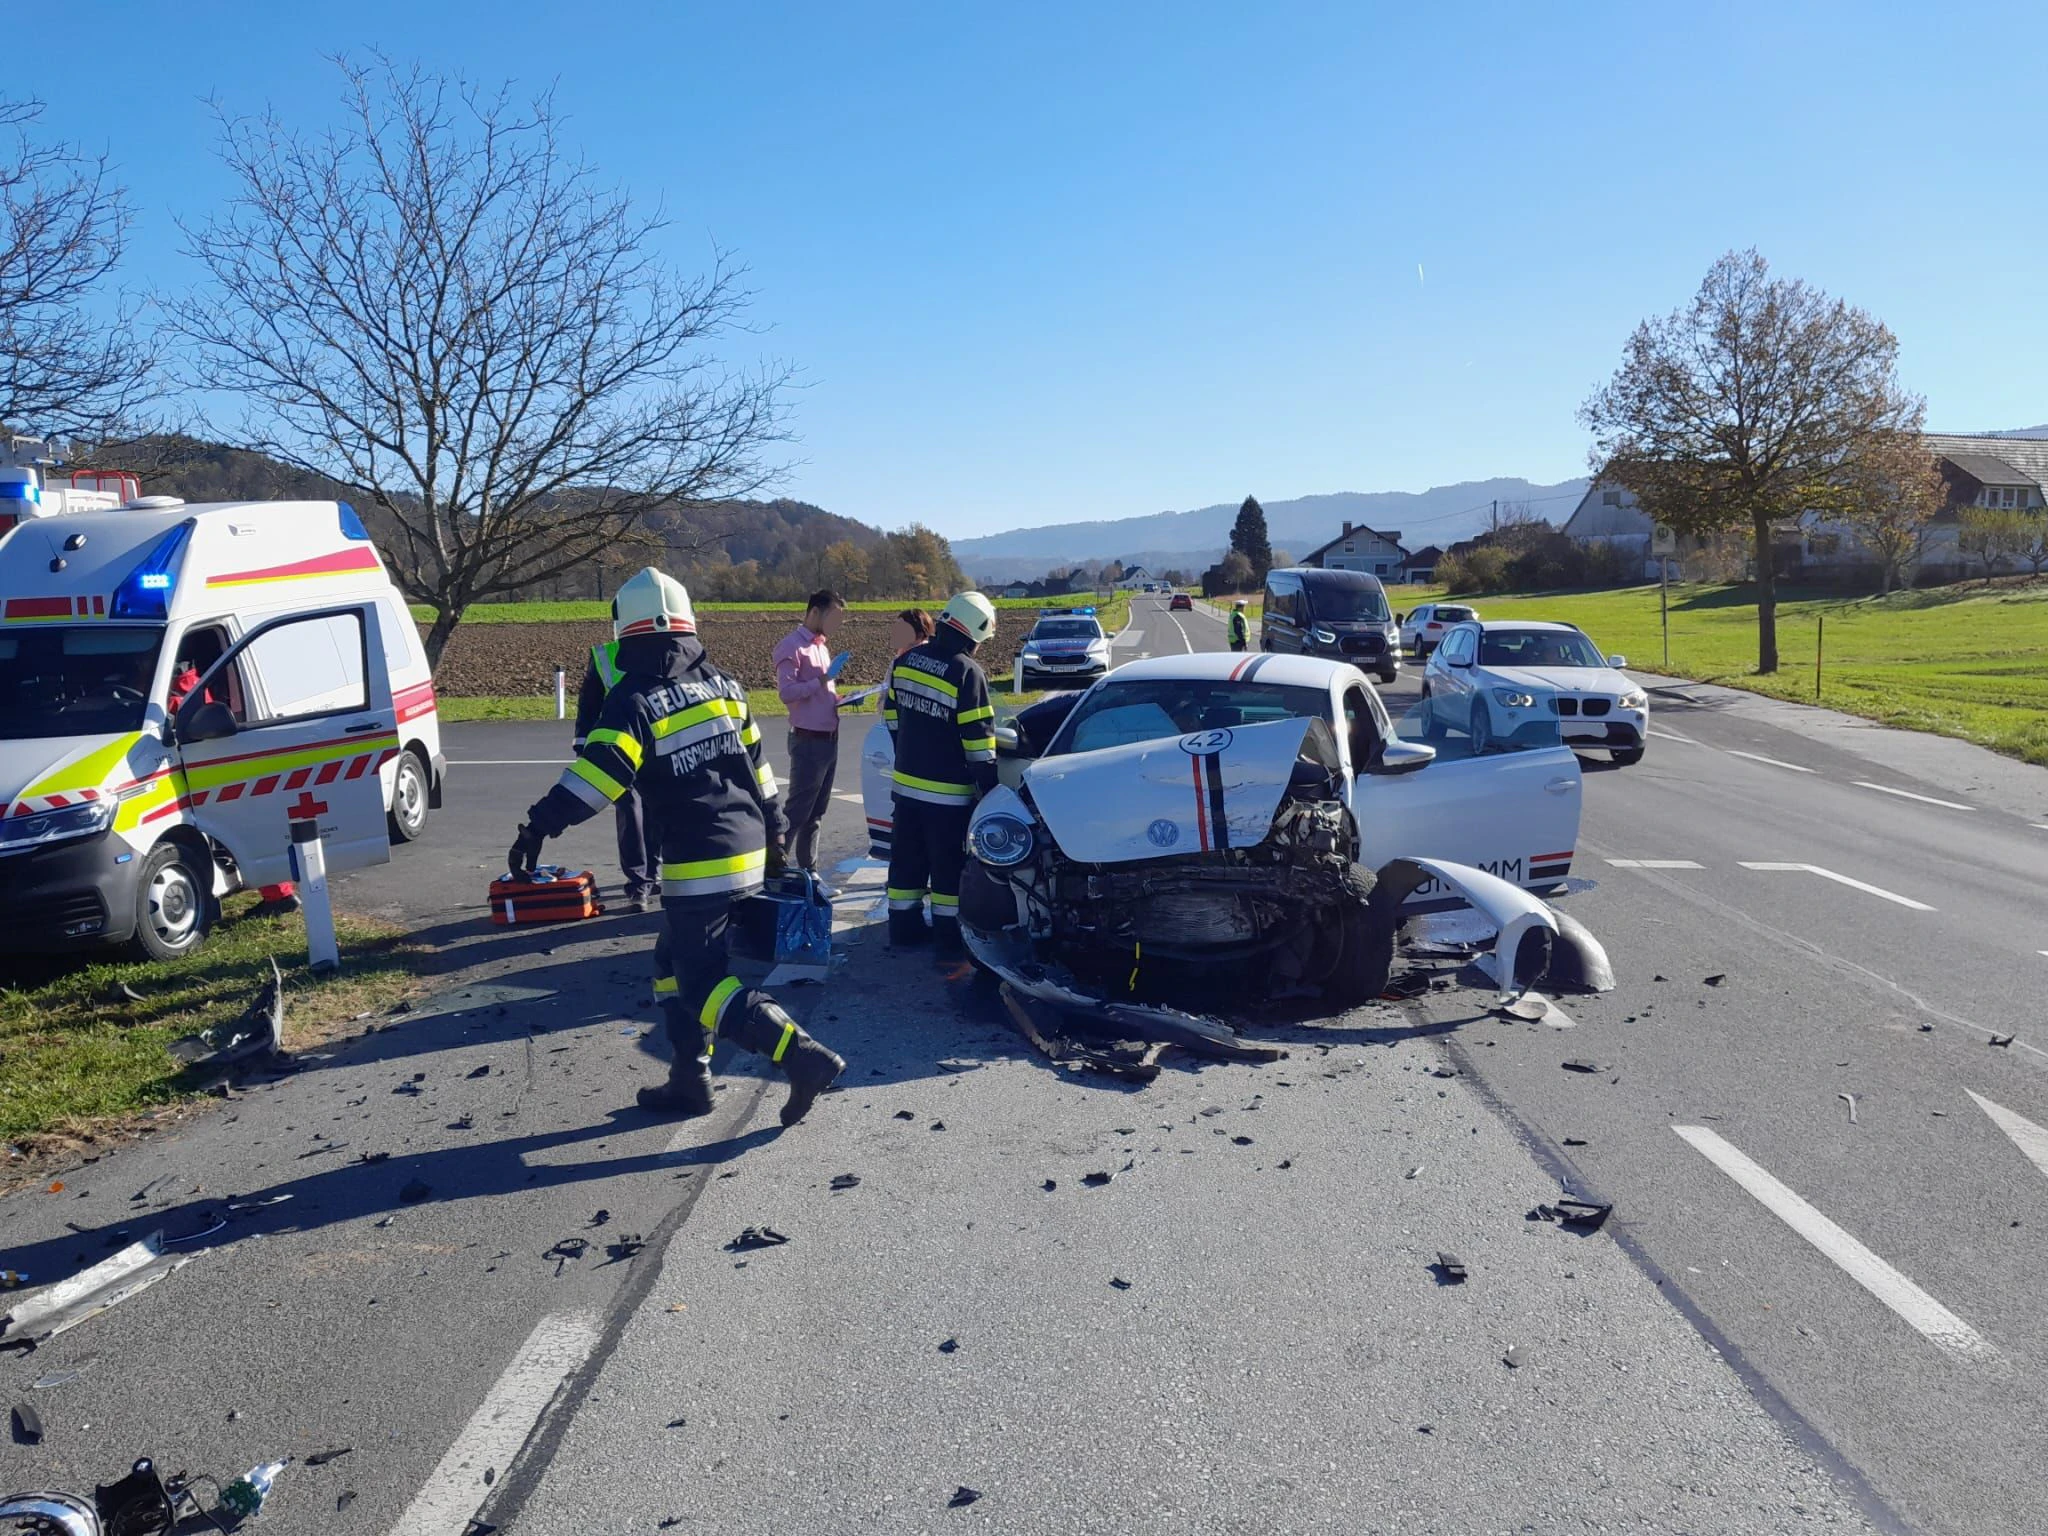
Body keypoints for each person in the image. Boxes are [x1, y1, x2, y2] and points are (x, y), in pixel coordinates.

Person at [509, 568, 846, 1125]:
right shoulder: (724, 684)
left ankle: (801, 1056)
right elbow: (759, 767)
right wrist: (776, 832)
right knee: (670, 959)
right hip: (747, 846)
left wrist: (536, 829)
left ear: (627, 631)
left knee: (703, 979)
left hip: (699, 856)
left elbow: (597, 780)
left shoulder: (634, 699)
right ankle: (690, 1078)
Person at [883, 591, 999, 957]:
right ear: (974, 633)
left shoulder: (908, 660)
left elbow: (891, 718)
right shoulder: (967, 672)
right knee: (947, 870)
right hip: (947, 795)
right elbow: (978, 743)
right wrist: (989, 790)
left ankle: (903, 929)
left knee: (906, 863)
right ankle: (949, 939)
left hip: (906, 788)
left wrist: (911, 752)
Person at [168, 653, 298, 916]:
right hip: (210, 766)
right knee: (238, 829)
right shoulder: (189, 684)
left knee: (227, 830)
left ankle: (276, 896)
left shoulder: (177, 691)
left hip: (203, 770)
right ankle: (277, 894)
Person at [575, 631, 663, 913]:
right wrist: (582, 742)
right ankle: (638, 884)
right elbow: (589, 703)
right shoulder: (604, 655)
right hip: (617, 749)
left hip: (653, 745)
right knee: (630, 808)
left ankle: (654, 872)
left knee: (654, 809)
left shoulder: (663, 649)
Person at [772, 588, 849, 884]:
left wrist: (840, 697)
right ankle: (777, 870)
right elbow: (786, 693)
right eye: (833, 617)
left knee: (817, 811)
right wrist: (822, 680)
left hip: (829, 736)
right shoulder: (791, 647)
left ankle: (809, 872)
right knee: (798, 810)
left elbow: (821, 692)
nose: (835, 625)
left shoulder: (821, 646)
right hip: (808, 740)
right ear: (814, 611)